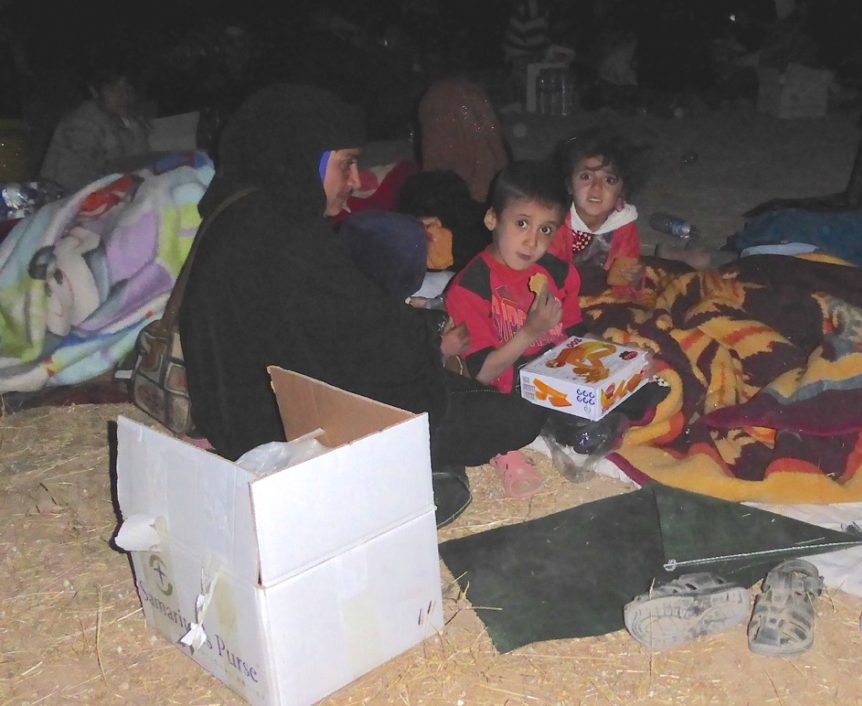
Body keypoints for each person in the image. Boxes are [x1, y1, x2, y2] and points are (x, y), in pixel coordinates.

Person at [179, 84, 547, 527]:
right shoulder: (281, 240)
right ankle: (408, 479)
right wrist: (425, 338)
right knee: (518, 415)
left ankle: (419, 471)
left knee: (466, 390)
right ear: (301, 157)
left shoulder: (238, 213)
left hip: (246, 418)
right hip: (285, 437)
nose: (356, 181)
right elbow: (371, 350)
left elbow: (339, 328)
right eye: (346, 164)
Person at [445, 160, 587, 497]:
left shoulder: (561, 274)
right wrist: (530, 331)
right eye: (521, 223)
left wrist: (616, 365)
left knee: (631, 400)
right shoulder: (469, 288)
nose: (532, 241)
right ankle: (503, 450)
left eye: (546, 229)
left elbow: (577, 336)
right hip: (502, 389)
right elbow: (480, 373)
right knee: (516, 420)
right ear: (493, 218)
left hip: (554, 376)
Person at [548, 127, 646, 297]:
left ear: (622, 191)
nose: (597, 187)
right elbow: (545, 274)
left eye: (609, 180)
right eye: (586, 177)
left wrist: (633, 278)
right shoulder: (557, 222)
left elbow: (627, 278)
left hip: (604, 297)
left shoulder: (623, 224)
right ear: (569, 185)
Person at [39, 68, 151, 192]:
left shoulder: (130, 122)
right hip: (65, 199)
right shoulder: (82, 123)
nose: (122, 95)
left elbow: (140, 166)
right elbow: (73, 179)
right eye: (113, 90)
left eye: (127, 89)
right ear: (95, 91)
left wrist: (136, 132)